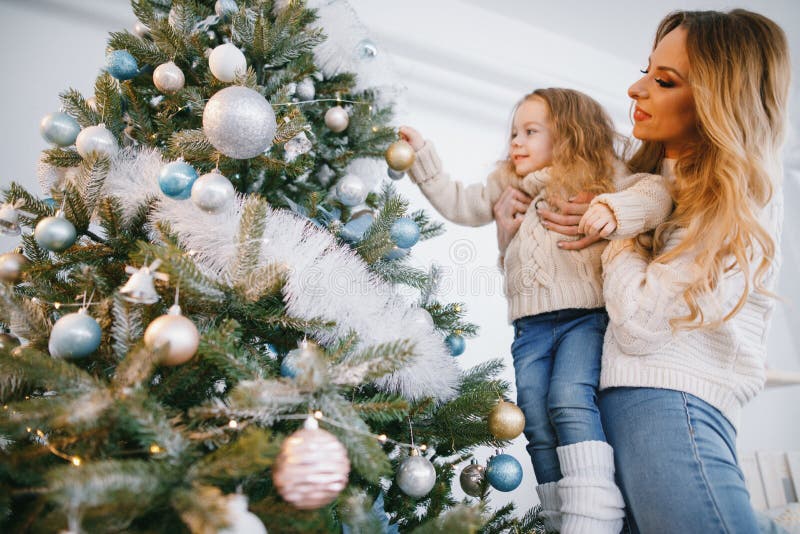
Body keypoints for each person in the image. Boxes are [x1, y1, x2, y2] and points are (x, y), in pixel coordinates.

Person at [536, 10, 790, 532]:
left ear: (718, 102)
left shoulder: (737, 196)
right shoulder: (655, 180)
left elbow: (642, 323)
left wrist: (619, 232)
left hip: (672, 404)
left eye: (664, 80)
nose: (635, 88)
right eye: (646, 70)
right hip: (626, 406)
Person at [399, 87, 672, 533]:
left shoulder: (599, 174)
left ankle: (596, 514)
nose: (515, 143)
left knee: (569, 398)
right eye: (513, 133)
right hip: (530, 327)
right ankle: (560, 518)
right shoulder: (508, 184)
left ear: (568, 136)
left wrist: (612, 208)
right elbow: (460, 203)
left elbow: (657, 191)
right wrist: (422, 157)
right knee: (534, 417)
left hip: (585, 316)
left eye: (530, 132)